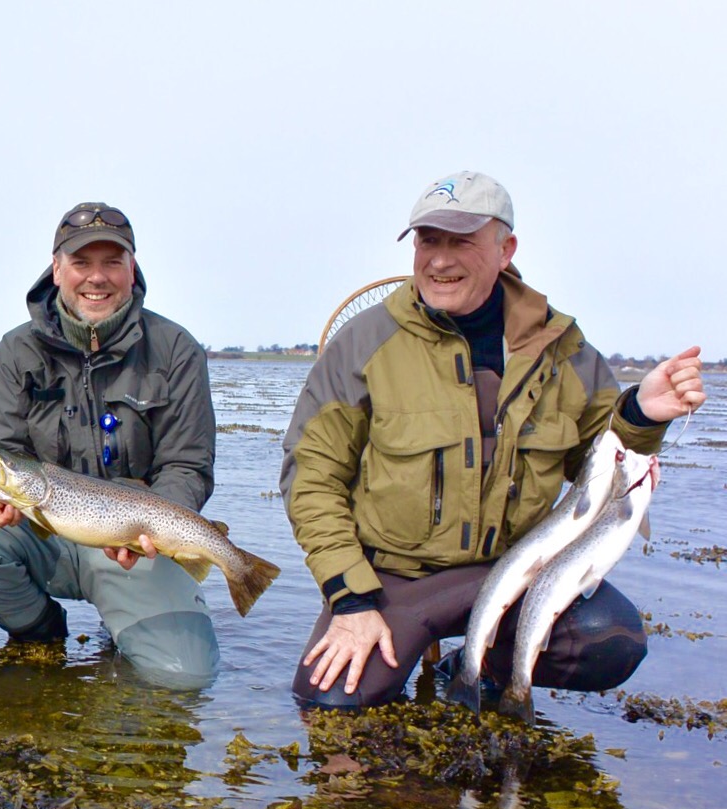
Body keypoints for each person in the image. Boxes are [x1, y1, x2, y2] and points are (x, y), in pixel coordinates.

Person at [282, 171, 707, 706]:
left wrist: (643, 414)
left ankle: (472, 669)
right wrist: (350, 601)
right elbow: (311, 478)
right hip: (392, 578)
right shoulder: (364, 342)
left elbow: (601, 470)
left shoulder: (564, 349)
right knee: (330, 702)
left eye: (461, 242)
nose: (439, 260)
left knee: (609, 641)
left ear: (506, 250)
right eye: (428, 240)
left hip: (516, 571)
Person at [0, 202, 221, 687]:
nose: (96, 278)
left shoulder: (176, 349)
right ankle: (41, 632)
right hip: (47, 531)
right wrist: (0, 499)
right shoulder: (17, 350)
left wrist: (152, 531)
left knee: (183, 680)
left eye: (111, 263)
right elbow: (1, 449)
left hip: (137, 542)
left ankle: (127, 620)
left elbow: (187, 465)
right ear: (57, 268)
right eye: (81, 262)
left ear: (131, 268)